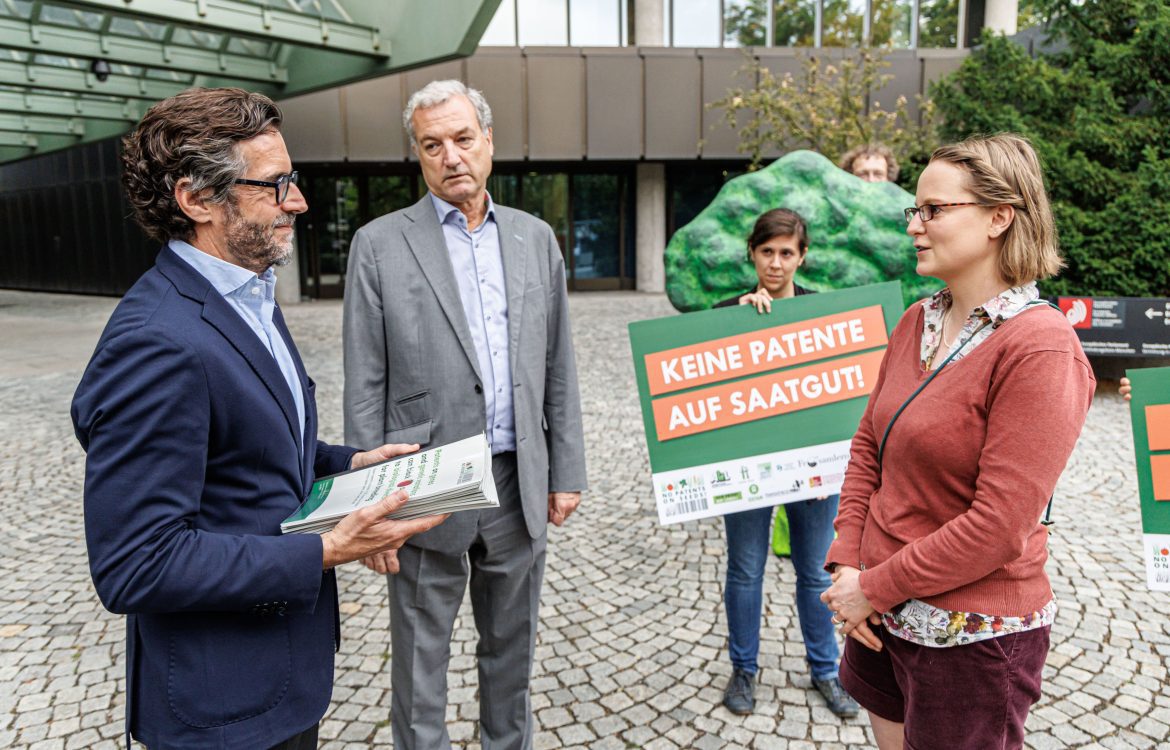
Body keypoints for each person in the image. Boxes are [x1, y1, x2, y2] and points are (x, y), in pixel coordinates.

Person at [70, 87, 447, 750]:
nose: (297, 201)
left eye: (293, 180)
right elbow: (135, 562)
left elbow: (245, 444)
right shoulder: (157, 342)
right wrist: (324, 550)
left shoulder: (245, 289)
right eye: (274, 186)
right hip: (222, 711)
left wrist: (346, 463)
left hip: (277, 682)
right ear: (196, 200)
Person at [820, 133, 1095, 749]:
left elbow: (998, 526)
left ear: (1000, 217)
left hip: (973, 637)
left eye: (935, 210)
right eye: (914, 210)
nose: (916, 225)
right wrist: (847, 558)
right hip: (879, 617)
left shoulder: (1040, 347)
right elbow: (870, 445)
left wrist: (871, 587)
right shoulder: (917, 319)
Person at [343, 79, 587, 750]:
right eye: (432, 145)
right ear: (417, 156)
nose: (450, 156)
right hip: (424, 480)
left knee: (512, 649)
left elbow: (558, 366)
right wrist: (369, 505)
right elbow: (364, 379)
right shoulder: (379, 245)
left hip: (518, 479)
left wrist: (564, 471)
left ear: (489, 143)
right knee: (420, 658)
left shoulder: (536, 240)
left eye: (462, 139)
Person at [712, 209, 859, 719]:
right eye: (767, 252)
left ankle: (826, 671)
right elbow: (711, 400)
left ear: (802, 257)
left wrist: (835, 466)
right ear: (752, 253)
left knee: (817, 576)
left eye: (787, 253)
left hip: (814, 476)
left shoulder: (822, 314)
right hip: (749, 471)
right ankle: (744, 669)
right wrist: (741, 323)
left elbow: (839, 401)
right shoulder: (725, 310)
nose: (776, 264)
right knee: (746, 570)